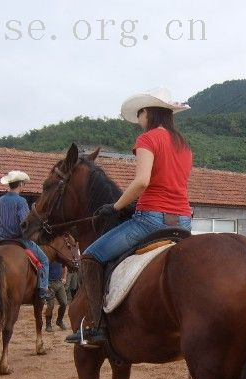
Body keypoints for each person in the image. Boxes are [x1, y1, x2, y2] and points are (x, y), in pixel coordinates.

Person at [66, 87, 192, 345]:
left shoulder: (148, 139)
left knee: (91, 256)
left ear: (148, 112)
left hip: (151, 220)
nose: (139, 120)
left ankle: (96, 326)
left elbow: (142, 181)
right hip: (183, 220)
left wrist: (114, 207)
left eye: (140, 114)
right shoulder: (183, 145)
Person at [0, 170, 50, 300]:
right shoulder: (21, 201)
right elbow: (25, 224)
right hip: (20, 240)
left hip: (3, 239)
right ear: (20, 184)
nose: (24, 185)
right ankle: (43, 289)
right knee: (44, 260)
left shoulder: (1, 199)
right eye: (24, 183)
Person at [45, 262, 69, 332]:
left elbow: (65, 267)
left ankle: (59, 321)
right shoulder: (48, 258)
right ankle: (48, 325)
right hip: (49, 284)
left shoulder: (60, 258)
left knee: (64, 303)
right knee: (50, 306)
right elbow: (42, 270)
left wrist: (64, 277)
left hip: (59, 283)